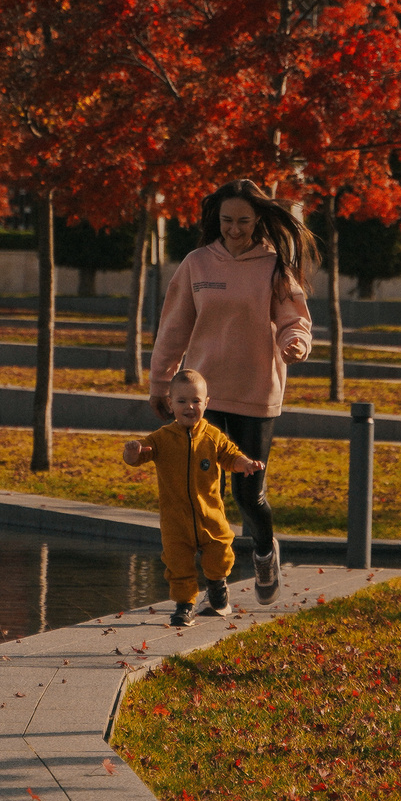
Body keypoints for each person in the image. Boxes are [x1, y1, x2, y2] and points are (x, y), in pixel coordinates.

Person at [149, 179, 315, 604]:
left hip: (257, 392)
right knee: (205, 492)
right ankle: (215, 583)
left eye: (243, 221)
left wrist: (294, 342)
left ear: (258, 218)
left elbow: (295, 319)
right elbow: (173, 328)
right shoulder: (197, 264)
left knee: (248, 492)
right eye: (226, 221)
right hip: (203, 396)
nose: (234, 229)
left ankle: (263, 552)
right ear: (215, 219)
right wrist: (161, 382)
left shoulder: (275, 266)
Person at [124, 369, 265, 627]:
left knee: (220, 553)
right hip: (175, 520)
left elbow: (230, 455)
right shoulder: (162, 438)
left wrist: (244, 464)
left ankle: (217, 584)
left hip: (209, 516)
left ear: (206, 403)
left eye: (196, 401)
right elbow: (139, 456)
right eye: (182, 401)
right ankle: (184, 605)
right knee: (178, 565)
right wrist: (132, 453)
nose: (189, 407)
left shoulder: (212, 436)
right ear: (170, 404)